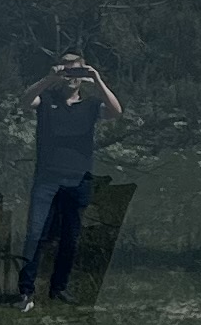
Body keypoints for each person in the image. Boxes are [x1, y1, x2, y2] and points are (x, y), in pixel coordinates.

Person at [16, 52, 122, 305]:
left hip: (78, 179)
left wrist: (96, 78)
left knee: (70, 237)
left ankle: (59, 288)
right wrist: (49, 78)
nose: (71, 77)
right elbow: (24, 102)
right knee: (35, 235)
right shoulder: (47, 100)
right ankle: (25, 291)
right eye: (67, 71)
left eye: (77, 71)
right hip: (47, 178)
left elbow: (116, 111)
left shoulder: (90, 105)